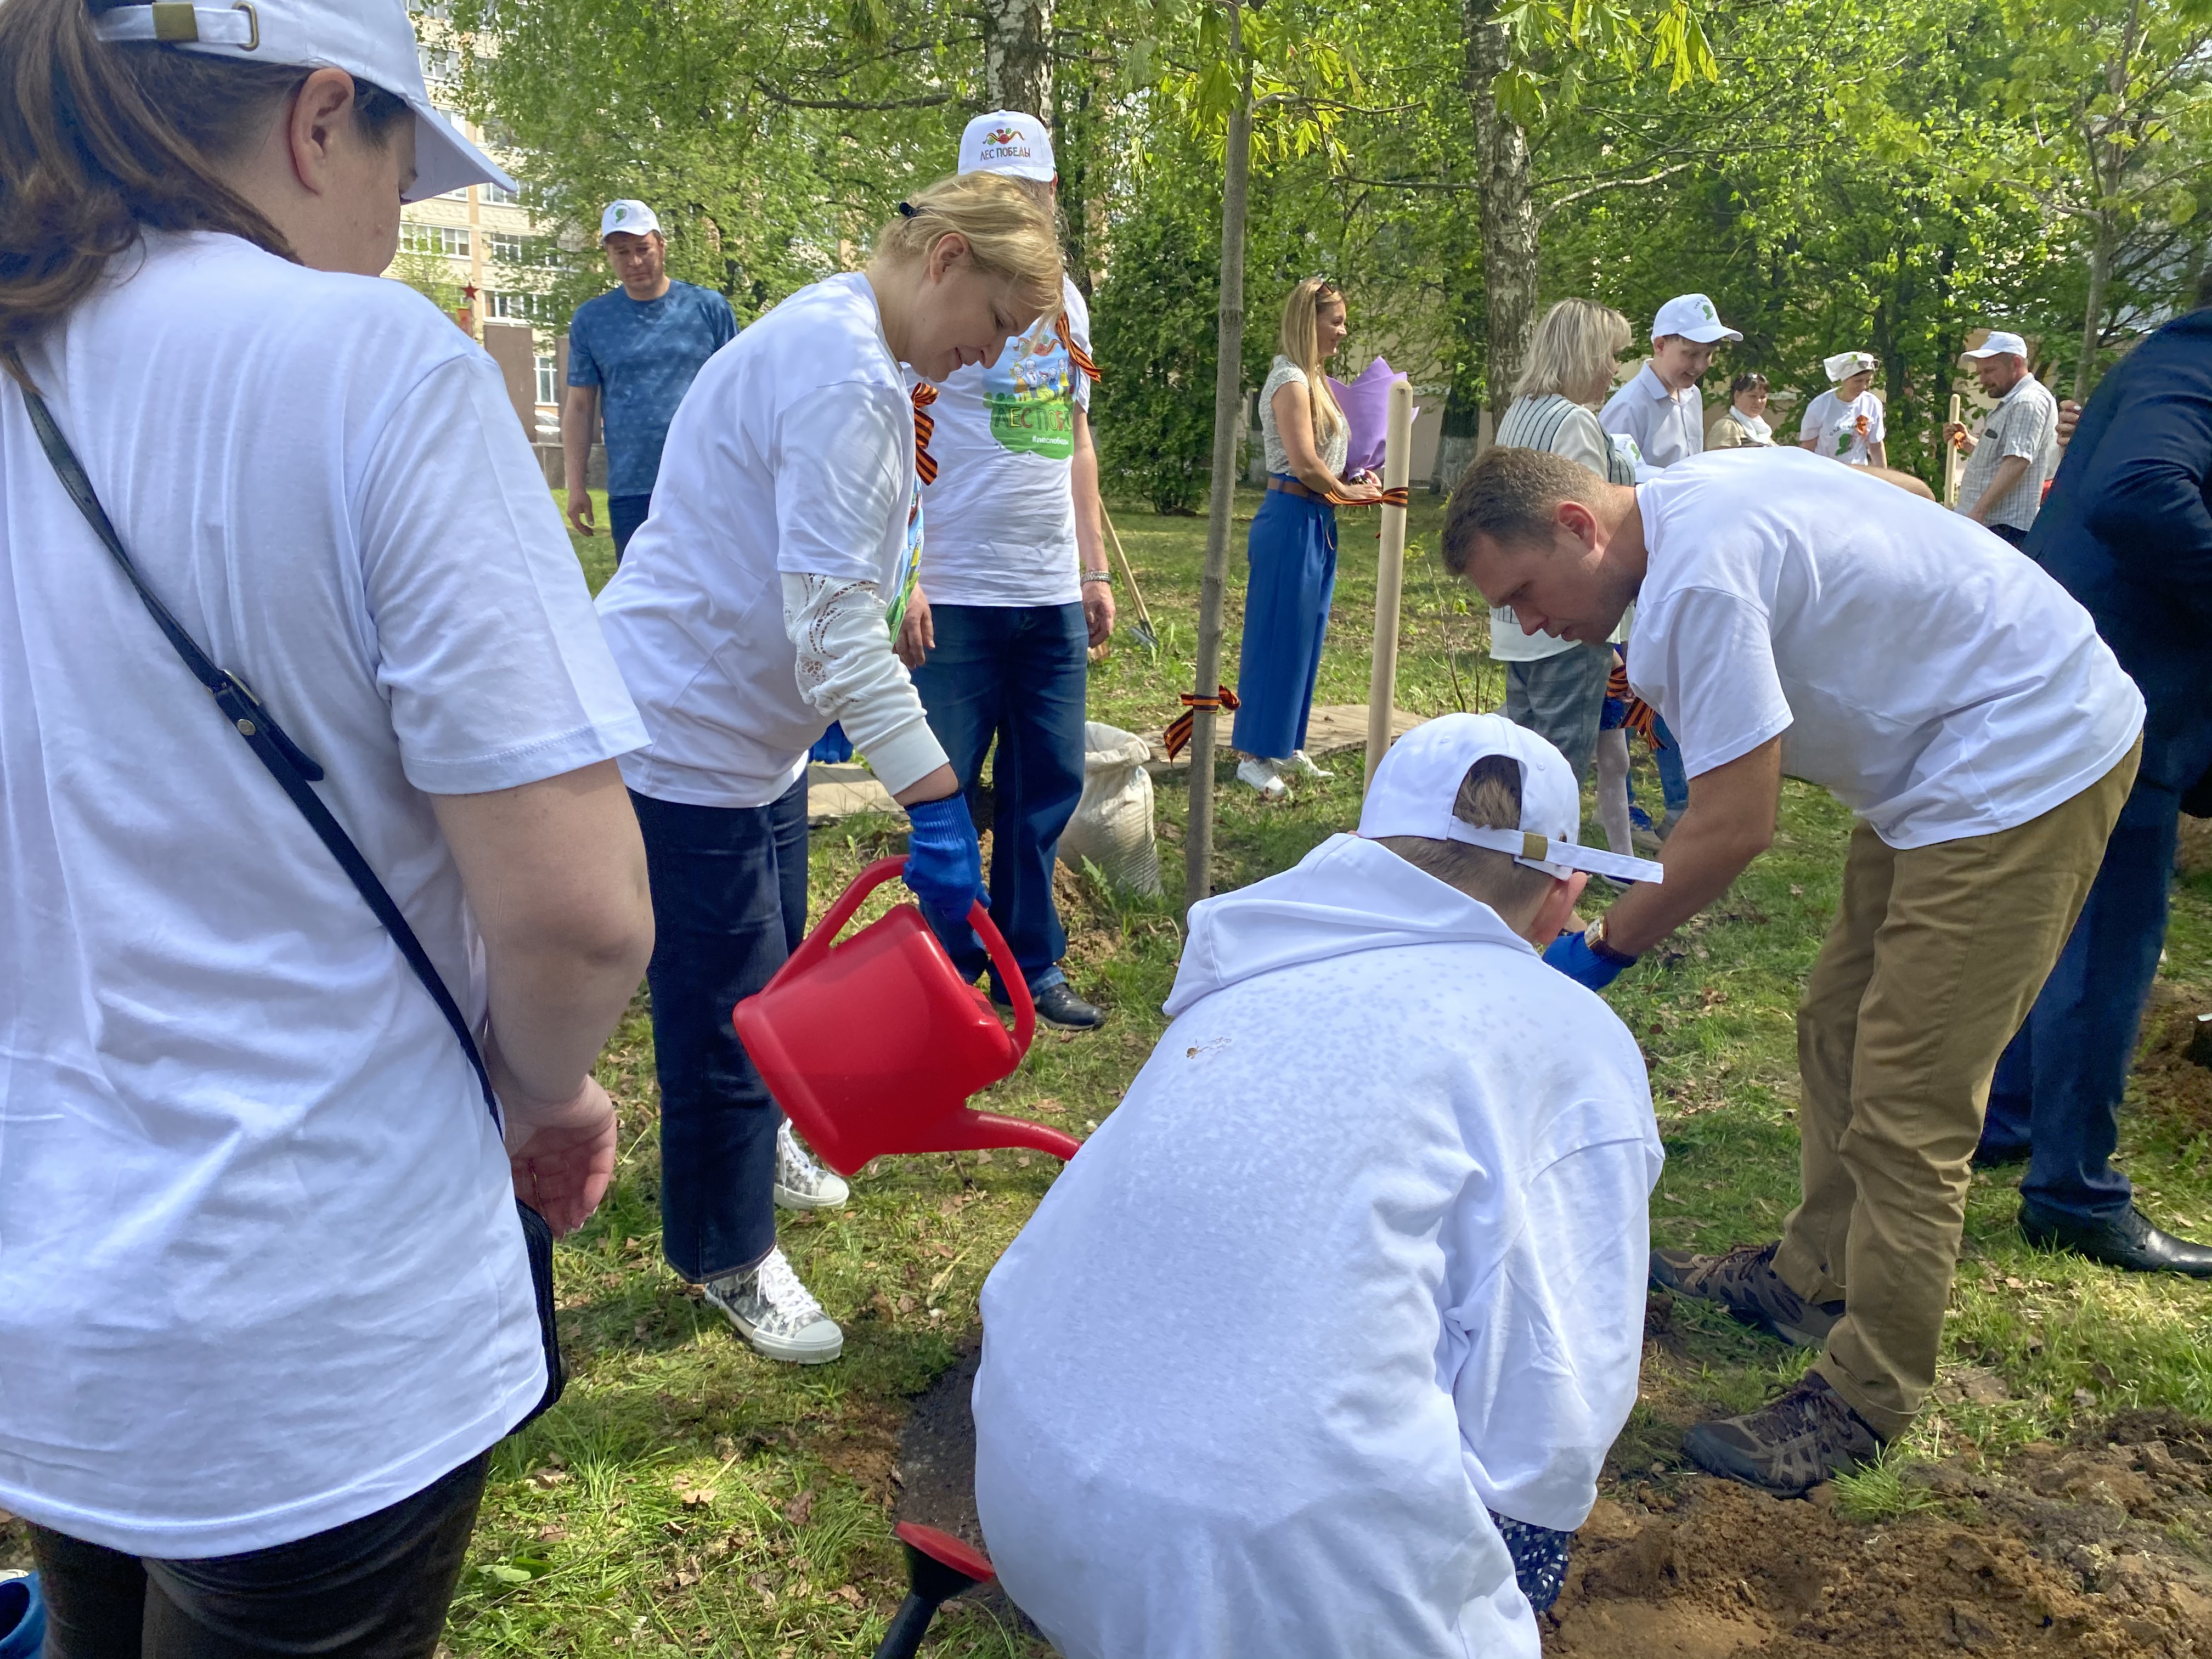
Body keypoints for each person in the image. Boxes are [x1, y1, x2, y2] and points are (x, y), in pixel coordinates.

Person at [0, 1, 657, 1650]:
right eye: (401, 173)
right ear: (314, 122)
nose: (393, 226)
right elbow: (578, 911)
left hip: (45, 1287)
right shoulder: (375, 366)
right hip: (312, 1312)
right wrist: (546, 1086)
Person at [1443, 445, 2143, 1496]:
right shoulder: (1695, 488)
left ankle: (1865, 1393)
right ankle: (1812, 1275)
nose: (1531, 624)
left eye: (1526, 594)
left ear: (1578, 526)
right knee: (1835, 1024)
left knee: (1910, 1098)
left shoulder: (1695, 591)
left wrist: (1592, 954)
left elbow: (1733, 827)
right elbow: (1902, 492)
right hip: (1944, 752)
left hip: (2025, 757)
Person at [972, 715, 1666, 1659]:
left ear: (1363, 850)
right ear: (1564, 894)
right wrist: (1506, 1577)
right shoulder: (1568, 1039)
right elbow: (1552, 1404)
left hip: (1034, 1502)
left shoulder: (1250, 969)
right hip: (1276, 1584)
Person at [595, 172, 1063, 1363]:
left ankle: (765, 1140)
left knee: (780, 969)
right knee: (722, 1008)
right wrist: (937, 800)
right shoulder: (845, 373)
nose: (987, 357)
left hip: (754, 732)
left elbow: (831, 563)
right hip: (688, 730)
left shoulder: (849, 337)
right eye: (996, 323)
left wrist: (895, 585)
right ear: (946, 258)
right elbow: (830, 630)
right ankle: (726, 1251)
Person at [1974, 305, 2212, 1277]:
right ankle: (2074, 1192)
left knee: (2066, 924)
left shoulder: (2177, 356)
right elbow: (2140, 490)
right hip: (2116, 694)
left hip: (2101, 685)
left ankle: (2011, 1115)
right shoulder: (2196, 356)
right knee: (2110, 940)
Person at [894, 111, 1110, 1032]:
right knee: (942, 785)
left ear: (1051, 194)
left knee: (1046, 781)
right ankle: (947, 966)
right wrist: (905, 573)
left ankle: (1031, 960)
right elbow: (891, 442)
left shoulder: (1067, 305)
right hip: (953, 587)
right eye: (995, 189)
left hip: (1047, 587)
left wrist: (1093, 569)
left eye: (1028, 190)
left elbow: (1076, 437)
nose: (1016, 204)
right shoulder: (928, 297)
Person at [1230, 276, 1383, 799]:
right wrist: (1347, 491)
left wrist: (1356, 478)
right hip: (1290, 516)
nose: (1343, 331)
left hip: (1318, 519)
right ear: (1307, 321)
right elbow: (1304, 464)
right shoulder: (1289, 381)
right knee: (1276, 635)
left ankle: (1287, 743)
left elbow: (1330, 461)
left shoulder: (1316, 381)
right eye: (1335, 321)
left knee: (1306, 635)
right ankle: (1254, 755)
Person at [1489, 298, 1636, 791]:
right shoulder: (1573, 421)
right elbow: (1586, 532)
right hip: (1564, 622)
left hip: (1518, 621)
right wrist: (1606, 632)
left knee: (1522, 762)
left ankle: (1506, 839)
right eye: (1611, 354)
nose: (1614, 368)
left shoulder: (1521, 411)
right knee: (1557, 772)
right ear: (1586, 353)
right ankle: (1544, 843)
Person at [562, 198, 737, 560]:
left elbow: (738, 394)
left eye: (643, 249)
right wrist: (576, 485)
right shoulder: (592, 320)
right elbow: (580, 407)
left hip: (705, 482)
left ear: (661, 246)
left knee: (713, 586)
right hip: (632, 488)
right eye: (622, 252)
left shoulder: (709, 308)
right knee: (641, 589)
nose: (635, 262)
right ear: (609, 256)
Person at [1942, 331, 2059, 549]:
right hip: (1992, 525)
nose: (1983, 380)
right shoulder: (2016, 401)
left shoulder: (2028, 402)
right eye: (1980, 372)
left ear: (2016, 363)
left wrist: (1977, 513)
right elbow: (2007, 457)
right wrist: (1967, 442)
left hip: (2001, 528)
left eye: (1989, 371)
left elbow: (2018, 462)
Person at [1600, 291, 1739, 469]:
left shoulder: (1693, 395)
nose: (1700, 366)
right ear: (1660, 346)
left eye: (1708, 354)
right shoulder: (1628, 407)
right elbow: (1609, 477)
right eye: (1691, 354)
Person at [1798, 351, 1887, 467]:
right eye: (1858, 381)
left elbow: (1876, 446)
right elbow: (1808, 448)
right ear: (1844, 379)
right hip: (1827, 471)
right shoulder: (1820, 406)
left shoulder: (1872, 404)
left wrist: (1884, 476)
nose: (1864, 387)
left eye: (1868, 381)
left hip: (1858, 472)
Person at [1706, 371, 1774, 447]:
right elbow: (1721, 454)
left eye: (1763, 397)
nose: (1759, 401)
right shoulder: (1727, 426)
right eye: (1753, 396)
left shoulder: (1763, 430)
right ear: (1737, 396)